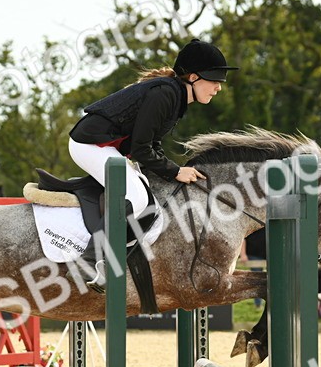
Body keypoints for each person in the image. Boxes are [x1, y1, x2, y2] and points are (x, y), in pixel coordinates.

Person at [68, 37, 236, 288]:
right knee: (136, 198)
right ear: (192, 77)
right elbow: (141, 148)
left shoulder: (175, 96)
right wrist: (175, 171)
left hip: (106, 147)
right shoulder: (166, 93)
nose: (218, 87)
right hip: (90, 145)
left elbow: (151, 143)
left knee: (147, 197)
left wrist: (171, 172)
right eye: (214, 80)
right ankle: (89, 261)